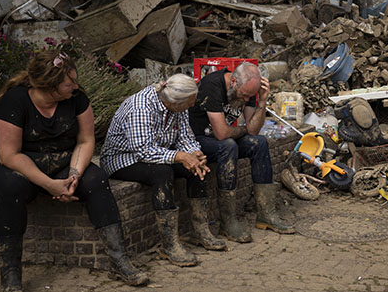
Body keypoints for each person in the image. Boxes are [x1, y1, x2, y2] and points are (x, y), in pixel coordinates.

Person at [0, 50, 147, 291]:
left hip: (61, 161)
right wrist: (49, 184)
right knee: (13, 186)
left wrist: (74, 177)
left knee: (96, 179)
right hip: (13, 166)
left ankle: (119, 259)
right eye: (69, 83)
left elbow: (86, 141)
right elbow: (9, 155)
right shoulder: (13, 102)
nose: (75, 87)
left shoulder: (77, 99)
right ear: (50, 86)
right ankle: (11, 274)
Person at [100, 74, 226, 267]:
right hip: (124, 159)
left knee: (197, 168)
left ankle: (200, 231)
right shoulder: (141, 107)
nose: (192, 106)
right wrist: (181, 156)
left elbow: (185, 137)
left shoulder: (178, 106)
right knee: (162, 172)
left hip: (159, 154)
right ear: (175, 102)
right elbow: (143, 150)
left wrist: (194, 153)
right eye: (190, 102)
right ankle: (169, 244)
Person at [188, 62, 294, 243]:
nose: (246, 100)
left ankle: (266, 214)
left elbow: (253, 130)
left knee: (259, 143)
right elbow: (222, 133)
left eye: (249, 97)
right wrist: (243, 130)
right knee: (228, 145)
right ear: (234, 81)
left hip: (225, 137)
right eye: (244, 95)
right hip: (197, 139)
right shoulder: (212, 85)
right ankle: (228, 221)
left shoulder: (249, 90)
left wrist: (261, 100)